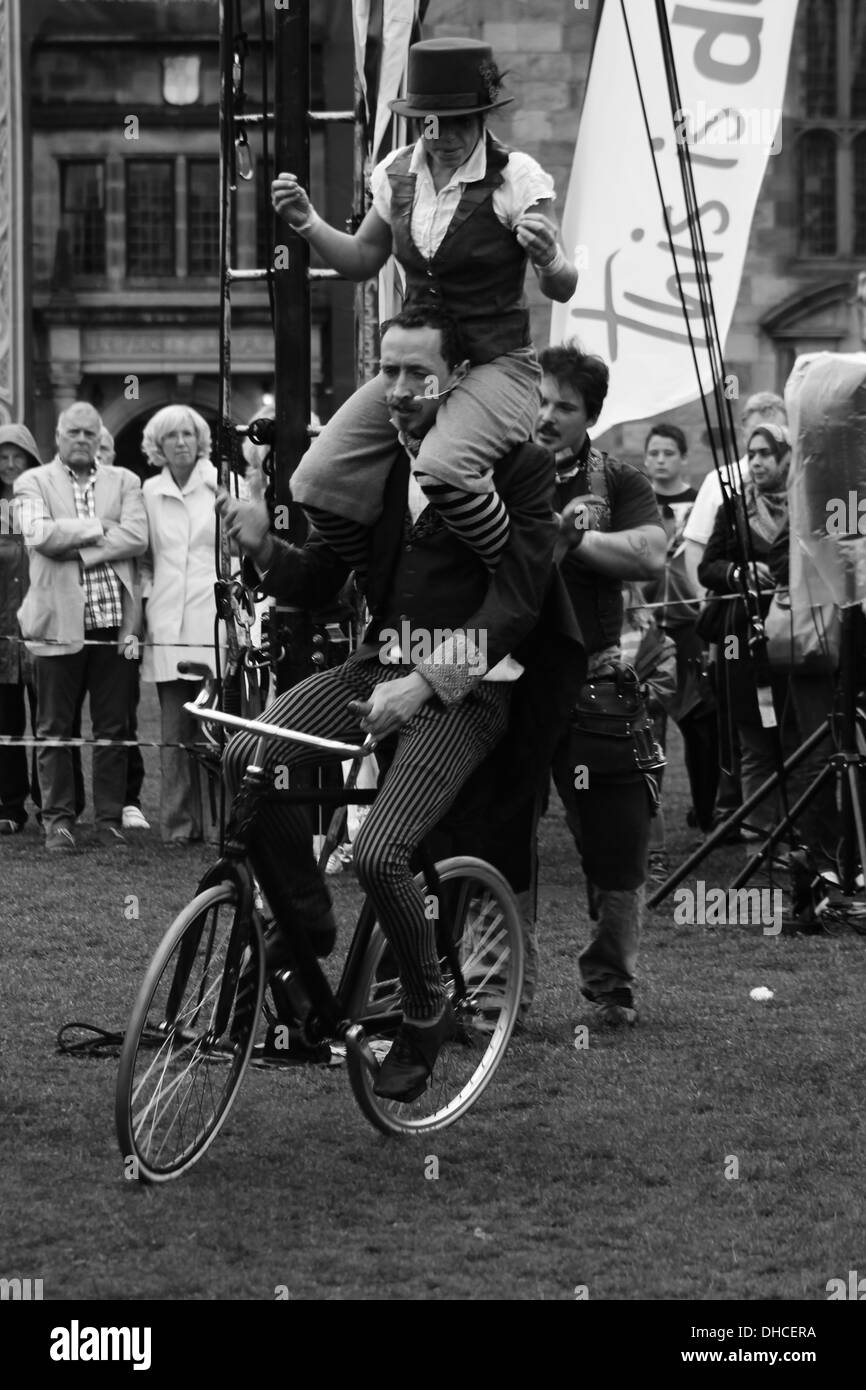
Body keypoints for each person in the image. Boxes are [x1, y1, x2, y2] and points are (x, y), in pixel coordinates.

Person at [217, 305, 582, 1100]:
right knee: (246, 753)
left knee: (381, 852)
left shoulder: (519, 468)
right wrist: (261, 549)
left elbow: (516, 604)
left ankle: (425, 1007)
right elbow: (318, 578)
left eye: (420, 373)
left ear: (457, 380)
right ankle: (308, 920)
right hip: (375, 666)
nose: (403, 388)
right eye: (389, 370)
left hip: (469, 692)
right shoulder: (378, 466)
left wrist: (426, 681)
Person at [271, 37, 576, 569]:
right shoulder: (397, 173)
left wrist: (550, 259)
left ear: (482, 117)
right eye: (435, 122)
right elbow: (363, 258)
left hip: (495, 363)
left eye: (461, 122)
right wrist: (307, 223)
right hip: (419, 367)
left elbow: (564, 285)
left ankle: (520, 569)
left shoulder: (516, 177)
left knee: (441, 467)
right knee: (315, 480)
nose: (448, 136)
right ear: (418, 121)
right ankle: (379, 575)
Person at [536, 342, 667, 1027]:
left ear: (590, 415)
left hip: (594, 690)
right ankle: (494, 990)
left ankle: (611, 988)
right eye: (541, 398)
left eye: (565, 405)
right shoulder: (496, 469)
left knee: (617, 850)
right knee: (498, 841)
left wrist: (576, 543)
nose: (548, 413)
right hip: (510, 688)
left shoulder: (616, 479)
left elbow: (651, 552)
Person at [13, 402, 147, 851]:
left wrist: (78, 543)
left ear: (99, 438)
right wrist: (100, 527)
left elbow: (137, 537)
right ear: (57, 436)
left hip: (115, 626)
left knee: (113, 730)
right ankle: (59, 823)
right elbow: (39, 535)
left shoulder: (126, 480)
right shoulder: (31, 482)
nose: (83, 440)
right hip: (55, 624)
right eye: (74, 432)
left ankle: (109, 821)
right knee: (55, 730)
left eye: (91, 433)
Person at [697, 423, 799, 837]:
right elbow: (708, 567)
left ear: (786, 457)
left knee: (797, 744)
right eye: (751, 453)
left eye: (765, 454)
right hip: (742, 641)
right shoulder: (734, 508)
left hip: (796, 639)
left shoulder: (807, 505)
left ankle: (800, 839)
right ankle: (758, 844)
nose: (755, 462)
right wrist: (739, 572)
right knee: (755, 744)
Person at [140, 405, 222, 846]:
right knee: (174, 732)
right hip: (168, 621)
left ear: (200, 439)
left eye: (188, 434)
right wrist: (151, 600)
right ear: (159, 444)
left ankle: (217, 826)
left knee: (214, 729)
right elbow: (144, 560)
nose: (181, 442)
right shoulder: (148, 491)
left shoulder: (219, 483)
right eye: (171, 436)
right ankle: (175, 826)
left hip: (214, 621)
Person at [643, 423, 719, 839]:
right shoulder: (638, 502)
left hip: (691, 624)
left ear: (683, 457)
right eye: (653, 452)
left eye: (668, 452)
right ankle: (646, 817)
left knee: (700, 724)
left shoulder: (701, 500)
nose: (660, 460)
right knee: (647, 726)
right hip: (650, 624)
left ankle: (707, 812)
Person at [84, 424, 148, 831]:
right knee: (64, 718)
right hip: (74, 621)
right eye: (92, 447)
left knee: (122, 711)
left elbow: (140, 547)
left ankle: (127, 799)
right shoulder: (67, 496)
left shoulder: (127, 492)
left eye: (104, 447)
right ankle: (64, 804)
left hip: (126, 619)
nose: (97, 454)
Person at [0, 425, 43, 833]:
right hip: (1, 633)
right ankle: (11, 807)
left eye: (18, 457)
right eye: (3, 457)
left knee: (50, 722)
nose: (11, 464)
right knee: (6, 725)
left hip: (42, 628)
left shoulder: (42, 502)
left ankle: (54, 805)